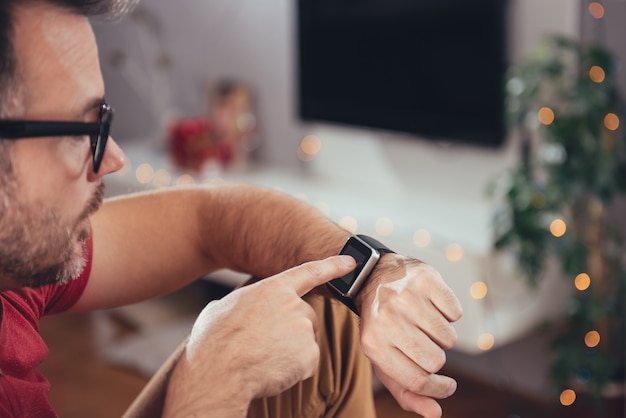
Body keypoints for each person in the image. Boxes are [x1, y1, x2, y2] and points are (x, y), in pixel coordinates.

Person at [0, 0, 463, 417]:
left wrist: (373, 273)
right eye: (76, 132)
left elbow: (209, 218)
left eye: (100, 124)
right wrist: (211, 384)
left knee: (330, 296)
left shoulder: (15, 270)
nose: (113, 158)